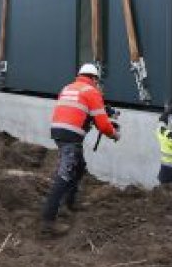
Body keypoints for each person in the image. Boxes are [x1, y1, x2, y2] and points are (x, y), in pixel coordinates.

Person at [40, 63, 119, 237]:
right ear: (94, 78)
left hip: (58, 131)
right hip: (70, 136)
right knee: (65, 175)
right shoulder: (92, 91)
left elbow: (77, 110)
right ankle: (48, 221)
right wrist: (114, 134)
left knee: (79, 166)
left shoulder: (68, 88)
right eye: (97, 80)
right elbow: (104, 125)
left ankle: (71, 202)